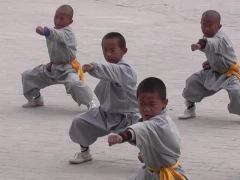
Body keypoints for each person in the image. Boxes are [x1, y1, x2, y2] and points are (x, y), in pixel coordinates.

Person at [68, 32, 141, 164]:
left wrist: (93, 67)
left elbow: (110, 70)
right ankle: (85, 152)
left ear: (124, 51)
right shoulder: (109, 68)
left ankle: (150, 158)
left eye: (113, 50)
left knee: (145, 131)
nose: (108, 54)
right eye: (105, 50)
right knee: (79, 122)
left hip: (127, 116)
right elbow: (108, 71)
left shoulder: (126, 70)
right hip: (105, 114)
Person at [178, 10, 240, 124]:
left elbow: (212, 44)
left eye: (210, 26)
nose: (207, 28)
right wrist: (210, 62)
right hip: (215, 71)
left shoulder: (220, 38)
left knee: (236, 91)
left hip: (230, 73)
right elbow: (217, 53)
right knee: (192, 82)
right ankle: (190, 109)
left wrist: (199, 45)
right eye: (204, 25)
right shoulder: (207, 35)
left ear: (219, 26)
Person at [108, 77, 189, 180]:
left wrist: (121, 137)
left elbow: (140, 129)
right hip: (149, 172)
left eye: (152, 104)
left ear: (165, 103)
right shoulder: (149, 120)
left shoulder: (160, 123)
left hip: (168, 176)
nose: (146, 108)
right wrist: (148, 156)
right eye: (142, 104)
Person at [21, 5, 96, 109]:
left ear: (70, 22)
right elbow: (56, 48)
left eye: (62, 18)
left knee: (74, 83)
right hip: (53, 67)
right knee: (28, 75)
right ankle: (37, 99)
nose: (58, 20)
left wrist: (45, 31)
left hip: (67, 69)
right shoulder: (54, 31)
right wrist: (52, 62)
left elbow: (57, 35)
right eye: (56, 17)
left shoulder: (67, 33)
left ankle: (90, 103)